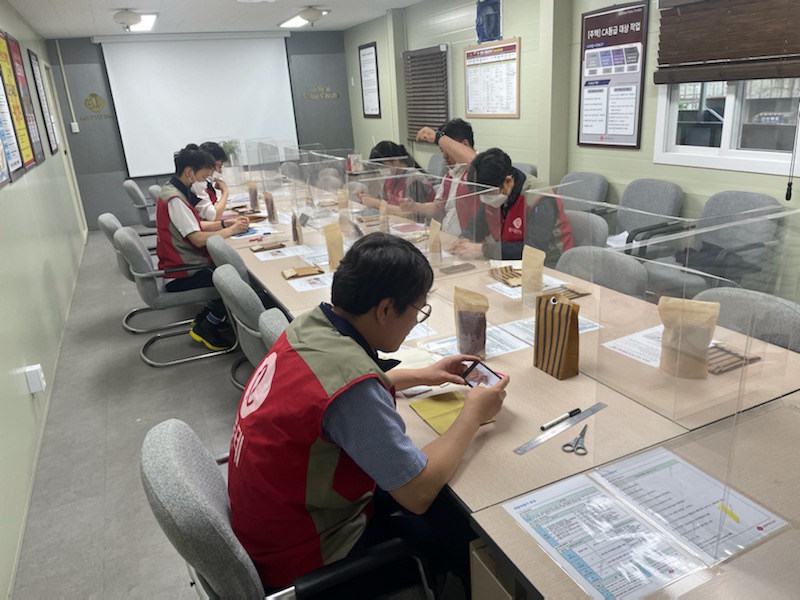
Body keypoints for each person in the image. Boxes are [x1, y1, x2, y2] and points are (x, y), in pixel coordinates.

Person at [228, 232, 509, 593]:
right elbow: (418, 492)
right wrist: (472, 415)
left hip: (279, 524)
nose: (416, 321)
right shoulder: (352, 391)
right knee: (453, 519)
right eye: (418, 311)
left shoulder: (311, 325)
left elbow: (332, 389)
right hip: (309, 559)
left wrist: (424, 374)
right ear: (386, 309)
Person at [155, 144, 249, 350]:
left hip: (185, 265)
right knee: (234, 282)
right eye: (204, 176)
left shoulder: (174, 191)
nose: (205, 182)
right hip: (181, 272)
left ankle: (205, 318)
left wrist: (224, 224)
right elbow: (197, 238)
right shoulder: (175, 199)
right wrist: (231, 231)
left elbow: (195, 225)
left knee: (228, 271)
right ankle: (206, 328)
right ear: (189, 172)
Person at [452, 147, 574, 265]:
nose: (484, 198)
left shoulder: (539, 199)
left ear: (508, 182)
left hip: (547, 265)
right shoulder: (495, 192)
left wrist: (484, 249)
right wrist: (466, 238)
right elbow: (478, 224)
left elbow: (535, 249)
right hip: (507, 260)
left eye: (487, 193)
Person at [405, 119, 481, 235]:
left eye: (448, 151)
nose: (444, 156)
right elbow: (438, 209)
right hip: (449, 237)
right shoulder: (450, 174)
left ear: (465, 145)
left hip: (470, 239)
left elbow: (474, 162)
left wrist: (438, 137)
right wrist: (414, 206)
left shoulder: (480, 168)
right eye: (442, 151)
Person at [355, 140, 434, 216]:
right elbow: (385, 202)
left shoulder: (414, 180)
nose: (380, 170)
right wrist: (367, 198)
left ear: (396, 161)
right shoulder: (390, 178)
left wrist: (376, 203)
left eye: (382, 167)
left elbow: (410, 214)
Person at [191, 141, 231, 222]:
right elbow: (214, 216)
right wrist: (225, 192)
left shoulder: (206, 184)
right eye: (219, 166)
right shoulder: (196, 185)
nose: (220, 171)